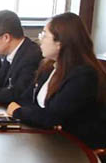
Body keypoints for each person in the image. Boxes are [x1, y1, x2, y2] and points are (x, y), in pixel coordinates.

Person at [7, 13, 106, 149]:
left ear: (60, 42)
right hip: (46, 138)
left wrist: (18, 111)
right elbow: (26, 98)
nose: (40, 40)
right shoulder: (48, 66)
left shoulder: (83, 75)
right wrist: (22, 109)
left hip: (75, 147)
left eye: (44, 35)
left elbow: (52, 116)